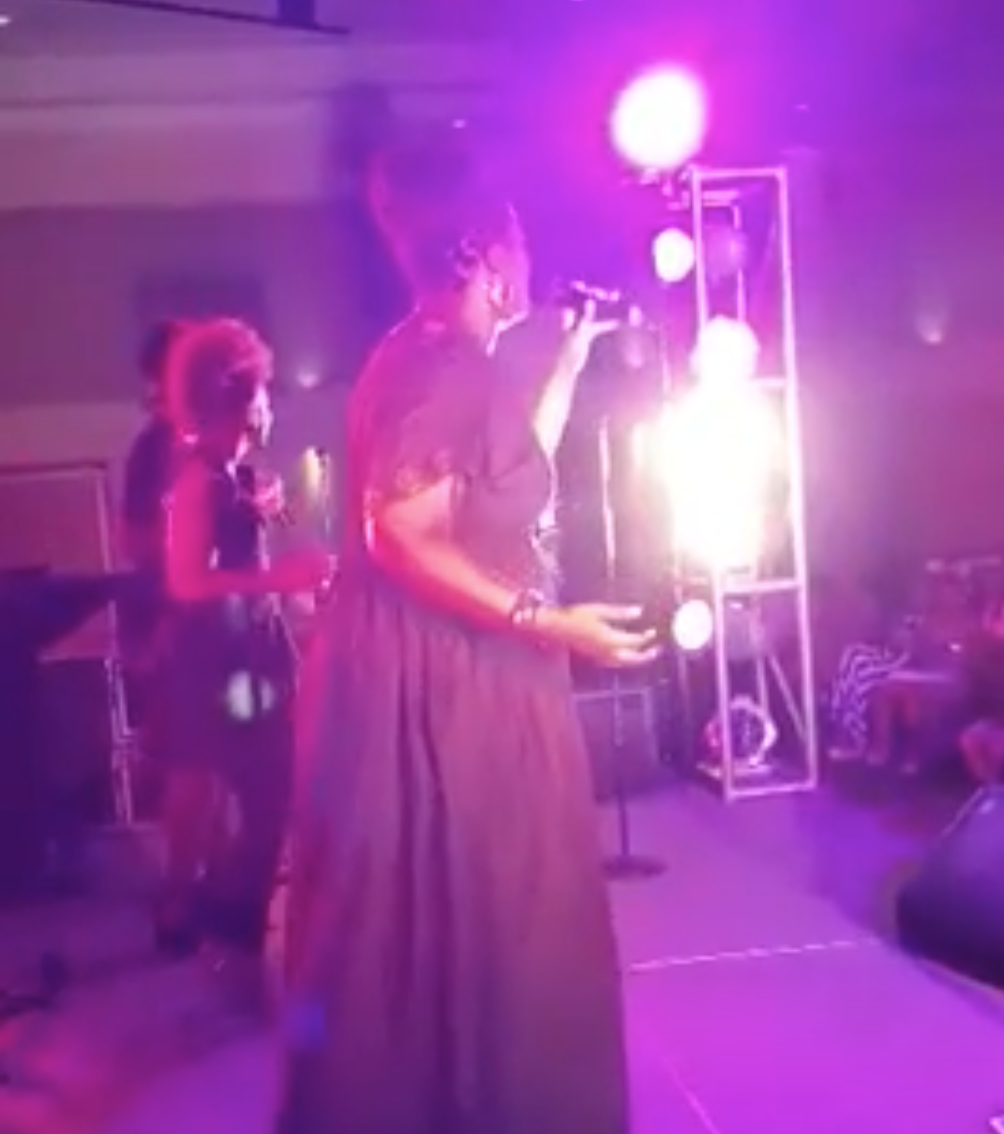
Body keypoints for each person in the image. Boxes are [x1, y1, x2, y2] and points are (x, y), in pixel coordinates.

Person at [277, 129, 657, 1134]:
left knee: (460, 916)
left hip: (440, 664)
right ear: (487, 251)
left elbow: (505, 473)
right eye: (518, 240)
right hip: (448, 676)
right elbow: (400, 532)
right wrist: (550, 619)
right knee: (489, 909)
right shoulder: (442, 366)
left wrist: (569, 356)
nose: (528, 258)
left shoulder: (439, 357)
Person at [156, 318, 330, 993]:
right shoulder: (199, 482)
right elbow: (185, 581)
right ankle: (219, 924)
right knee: (261, 798)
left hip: (249, 655)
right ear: (237, 399)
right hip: (218, 663)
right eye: (262, 391)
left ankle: (229, 931)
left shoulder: (234, 476)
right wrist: (276, 578)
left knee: (269, 800)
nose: (270, 403)